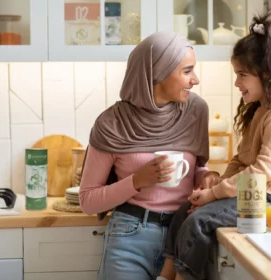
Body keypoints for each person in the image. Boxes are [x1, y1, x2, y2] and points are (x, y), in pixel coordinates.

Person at [158, 13, 271, 280]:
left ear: (267, 74)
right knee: (183, 213)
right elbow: (242, 160)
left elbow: (263, 171)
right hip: (257, 193)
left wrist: (216, 194)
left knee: (199, 221)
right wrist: (218, 186)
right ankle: (165, 276)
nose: (237, 83)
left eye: (242, 75)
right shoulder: (260, 111)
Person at [79, 31, 220, 280]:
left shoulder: (195, 111)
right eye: (187, 71)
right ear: (159, 72)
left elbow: (193, 169)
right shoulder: (112, 122)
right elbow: (88, 201)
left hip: (185, 235)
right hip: (129, 238)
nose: (195, 79)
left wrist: (206, 176)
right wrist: (136, 181)